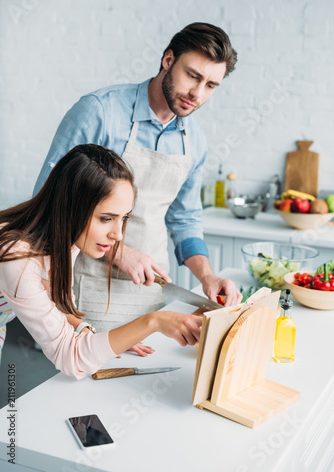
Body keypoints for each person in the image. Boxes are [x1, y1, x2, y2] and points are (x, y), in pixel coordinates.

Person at [33, 22, 242, 334]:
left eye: (211, 85)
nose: (196, 94)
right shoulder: (99, 112)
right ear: (168, 60)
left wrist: (207, 277)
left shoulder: (195, 141)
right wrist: (121, 252)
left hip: (151, 295)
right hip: (88, 289)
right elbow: (50, 201)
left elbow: (184, 218)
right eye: (193, 76)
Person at [0, 144, 202, 376]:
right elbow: (71, 359)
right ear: (70, 209)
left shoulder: (66, 238)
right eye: (106, 218)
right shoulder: (16, 256)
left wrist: (101, 337)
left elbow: (58, 301)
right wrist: (153, 322)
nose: (118, 235)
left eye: (123, 218)